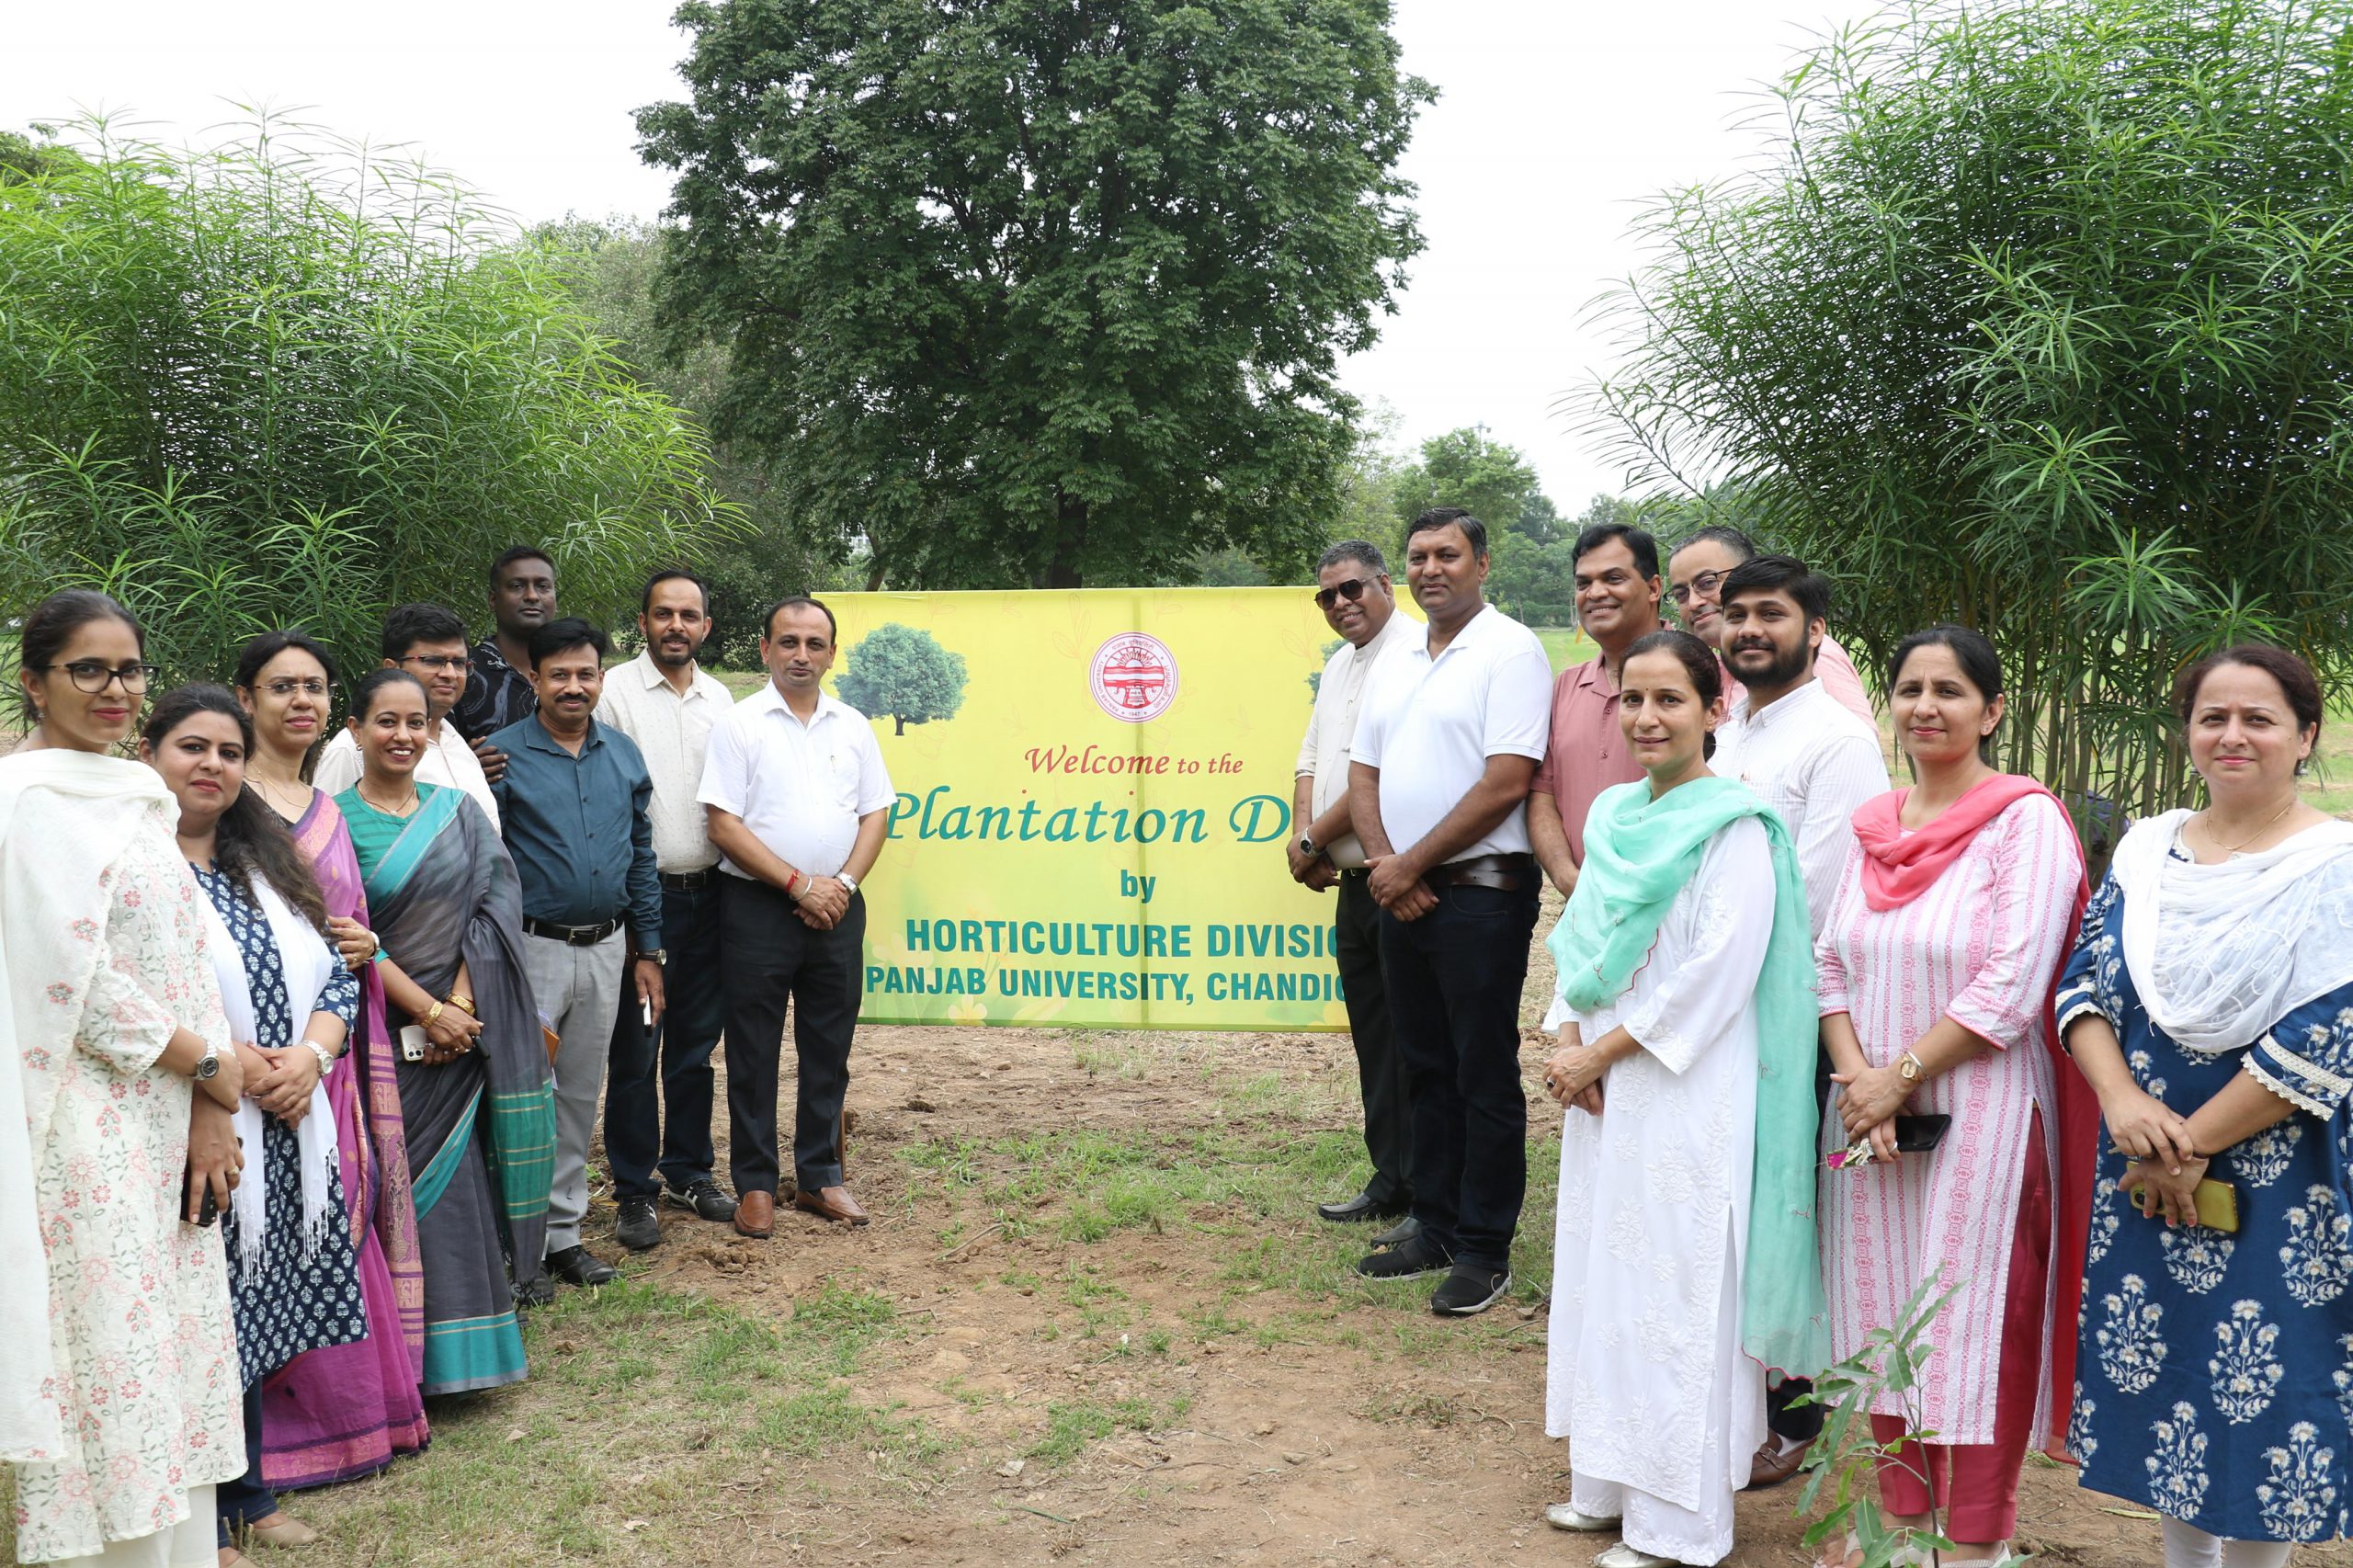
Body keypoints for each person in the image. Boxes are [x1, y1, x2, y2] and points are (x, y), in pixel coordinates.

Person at [1538, 628, 1825, 1568]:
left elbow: (1716, 973)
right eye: (1633, 698)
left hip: (1687, 1089)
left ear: (1715, 709)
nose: (1647, 717)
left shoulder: (1736, 827)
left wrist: (1600, 1052)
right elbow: (1582, 937)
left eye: (1670, 699)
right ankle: (1607, 1484)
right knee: (1604, 1279)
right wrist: (1566, 1042)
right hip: (1602, 1090)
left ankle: (1678, 1523)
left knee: (1677, 1291)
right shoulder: (1615, 813)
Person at [2061, 644, 2353, 1568]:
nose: (2233, 735)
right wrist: (2121, 1102)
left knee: (2268, 1395)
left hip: (2278, 1178)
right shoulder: (2148, 851)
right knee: (2171, 1384)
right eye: (2211, 716)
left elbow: (2326, 1031)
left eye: (2259, 718)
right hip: (2141, 1166)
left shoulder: (2335, 865)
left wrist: (2185, 1144)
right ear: (2187, 730)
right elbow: (2083, 979)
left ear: (2304, 735)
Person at [1811, 626, 2091, 1568]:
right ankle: (1904, 1524)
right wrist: (1863, 1084)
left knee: (1972, 1322)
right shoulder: (1875, 825)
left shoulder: (2024, 822)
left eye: (1950, 690)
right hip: (1871, 1119)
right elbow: (1827, 962)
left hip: (1986, 1116)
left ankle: (1973, 1542)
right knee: (1881, 1309)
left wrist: (1894, 1078)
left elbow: (2011, 984)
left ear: (1991, 709)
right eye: (1910, 688)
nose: (1925, 705)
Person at [2, 590, 245, 1568]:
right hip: (84, 1123)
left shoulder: (134, 792)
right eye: (88, 669)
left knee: (170, 1348)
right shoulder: (26, 804)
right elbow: (73, 980)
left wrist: (208, 1104)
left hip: (169, 1112)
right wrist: (212, 1065)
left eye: (130, 669)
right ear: (35, 682)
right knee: (111, 1352)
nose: (115, 689)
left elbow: (184, 957)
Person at [139, 687, 369, 1566]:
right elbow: (138, 998)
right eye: (191, 747)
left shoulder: (263, 865)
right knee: (200, 1315)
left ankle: (248, 1494)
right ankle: (201, 1518)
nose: (212, 765)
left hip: (286, 1115)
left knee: (251, 1308)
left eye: (229, 752)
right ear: (149, 755)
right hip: (186, 1116)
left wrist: (310, 1057)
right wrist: (227, 1061)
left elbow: (337, 975)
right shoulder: (138, 867)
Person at [1707, 553, 1891, 1488]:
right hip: (1718, 1009)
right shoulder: (1726, 733)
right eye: (1734, 612)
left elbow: (1814, 899)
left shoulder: (1836, 740)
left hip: (1791, 1012)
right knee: (1732, 1202)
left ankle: (1795, 1415)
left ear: (1815, 631)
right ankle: (1730, 1394)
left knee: (1789, 1207)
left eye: (1770, 613)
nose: (1747, 628)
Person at [233, 631, 429, 1491]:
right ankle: (274, 1433)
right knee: (271, 1219)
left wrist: (362, 944)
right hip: (256, 1051)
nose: (301, 702)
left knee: (337, 1205)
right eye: (282, 687)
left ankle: (354, 1414)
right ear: (246, 698)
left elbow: (350, 923)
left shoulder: (324, 805)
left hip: (335, 1046)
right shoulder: (224, 800)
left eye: (313, 687)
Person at [1347, 507, 1552, 1317]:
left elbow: (1507, 781)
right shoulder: (1398, 657)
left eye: (1448, 555)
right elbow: (1364, 772)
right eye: (1418, 556)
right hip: (1403, 894)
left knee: (1481, 1072)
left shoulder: (1511, 650)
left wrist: (1411, 864)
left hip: (1480, 896)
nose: (1431, 570)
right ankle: (1433, 1225)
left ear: (1482, 564)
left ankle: (1482, 1249)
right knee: (1423, 1066)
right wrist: (1388, 868)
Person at [335, 668, 554, 1389]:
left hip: (463, 1033)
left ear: (433, 732)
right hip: (377, 1036)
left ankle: (471, 1354)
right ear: (355, 729)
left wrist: (457, 1004)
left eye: (416, 723)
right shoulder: (331, 822)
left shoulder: (460, 811)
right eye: (386, 722)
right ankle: (401, 1366)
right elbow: (343, 933)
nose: (403, 736)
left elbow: (495, 908)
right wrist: (427, 1012)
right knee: (394, 1182)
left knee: (460, 1183)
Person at [699, 597, 893, 1238]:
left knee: (829, 1048)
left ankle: (820, 1176)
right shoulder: (739, 724)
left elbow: (875, 813)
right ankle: (756, 1184)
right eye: (788, 642)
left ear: (832, 654)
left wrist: (840, 886)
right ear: (765, 650)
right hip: (758, 906)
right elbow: (723, 824)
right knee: (752, 1050)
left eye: (814, 644)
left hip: (838, 907)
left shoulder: (853, 726)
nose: (801, 655)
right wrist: (797, 885)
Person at [485, 619, 665, 1286]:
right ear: (533, 678)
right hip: (532, 950)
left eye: (585, 674)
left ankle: (562, 1236)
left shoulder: (623, 755)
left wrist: (649, 949)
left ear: (601, 679)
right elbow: (485, 863)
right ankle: (516, 1246)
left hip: (607, 949)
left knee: (579, 1095)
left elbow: (641, 856)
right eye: (558, 674)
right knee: (522, 1096)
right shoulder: (500, 758)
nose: (573, 686)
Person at [596, 571, 737, 1250]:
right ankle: (633, 1188)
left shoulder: (722, 700)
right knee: (635, 1050)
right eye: (663, 614)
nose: (675, 625)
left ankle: (688, 1171)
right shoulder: (613, 694)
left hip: (710, 897)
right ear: (644, 622)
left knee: (694, 1049)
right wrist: (636, 926)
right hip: (639, 903)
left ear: (706, 626)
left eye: (688, 615)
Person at [1291, 540, 1421, 1236]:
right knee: (1374, 1035)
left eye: (1352, 589)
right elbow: (1312, 757)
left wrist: (1314, 840)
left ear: (1385, 584)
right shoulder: (1342, 662)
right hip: (1351, 881)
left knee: (1413, 1040)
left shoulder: (1413, 654)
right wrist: (1303, 837)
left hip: (1398, 876)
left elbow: (1379, 770)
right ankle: (1391, 1178)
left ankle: (1426, 1187)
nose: (1340, 604)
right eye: (1327, 596)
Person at [1527, 520, 1664, 900]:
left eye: (1613, 578)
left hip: (1670, 909)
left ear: (1654, 588)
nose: (1596, 593)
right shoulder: (1566, 687)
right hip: (1583, 908)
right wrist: (1568, 878)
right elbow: (1542, 794)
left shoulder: (1700, 676)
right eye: (1583, 583)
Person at [312, 603, 501, 828]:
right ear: (392, 668)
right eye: (433, 661)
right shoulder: (352, 748)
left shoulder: (456, 744)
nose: (450, 674)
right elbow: (326, 836)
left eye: (459, 663)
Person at [1665, 524, 1873, 724]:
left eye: (1708, 583)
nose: (1693, 603)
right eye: (1681, 594)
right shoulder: (1727, 665)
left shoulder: (1805, 653)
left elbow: (1854, 740)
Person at [450, 546, 557, 783]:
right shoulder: (462, 674)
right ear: (493, 599)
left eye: (543, 586)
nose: (532, 596)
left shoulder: (574, 675)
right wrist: (463, 767)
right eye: (517, 586)